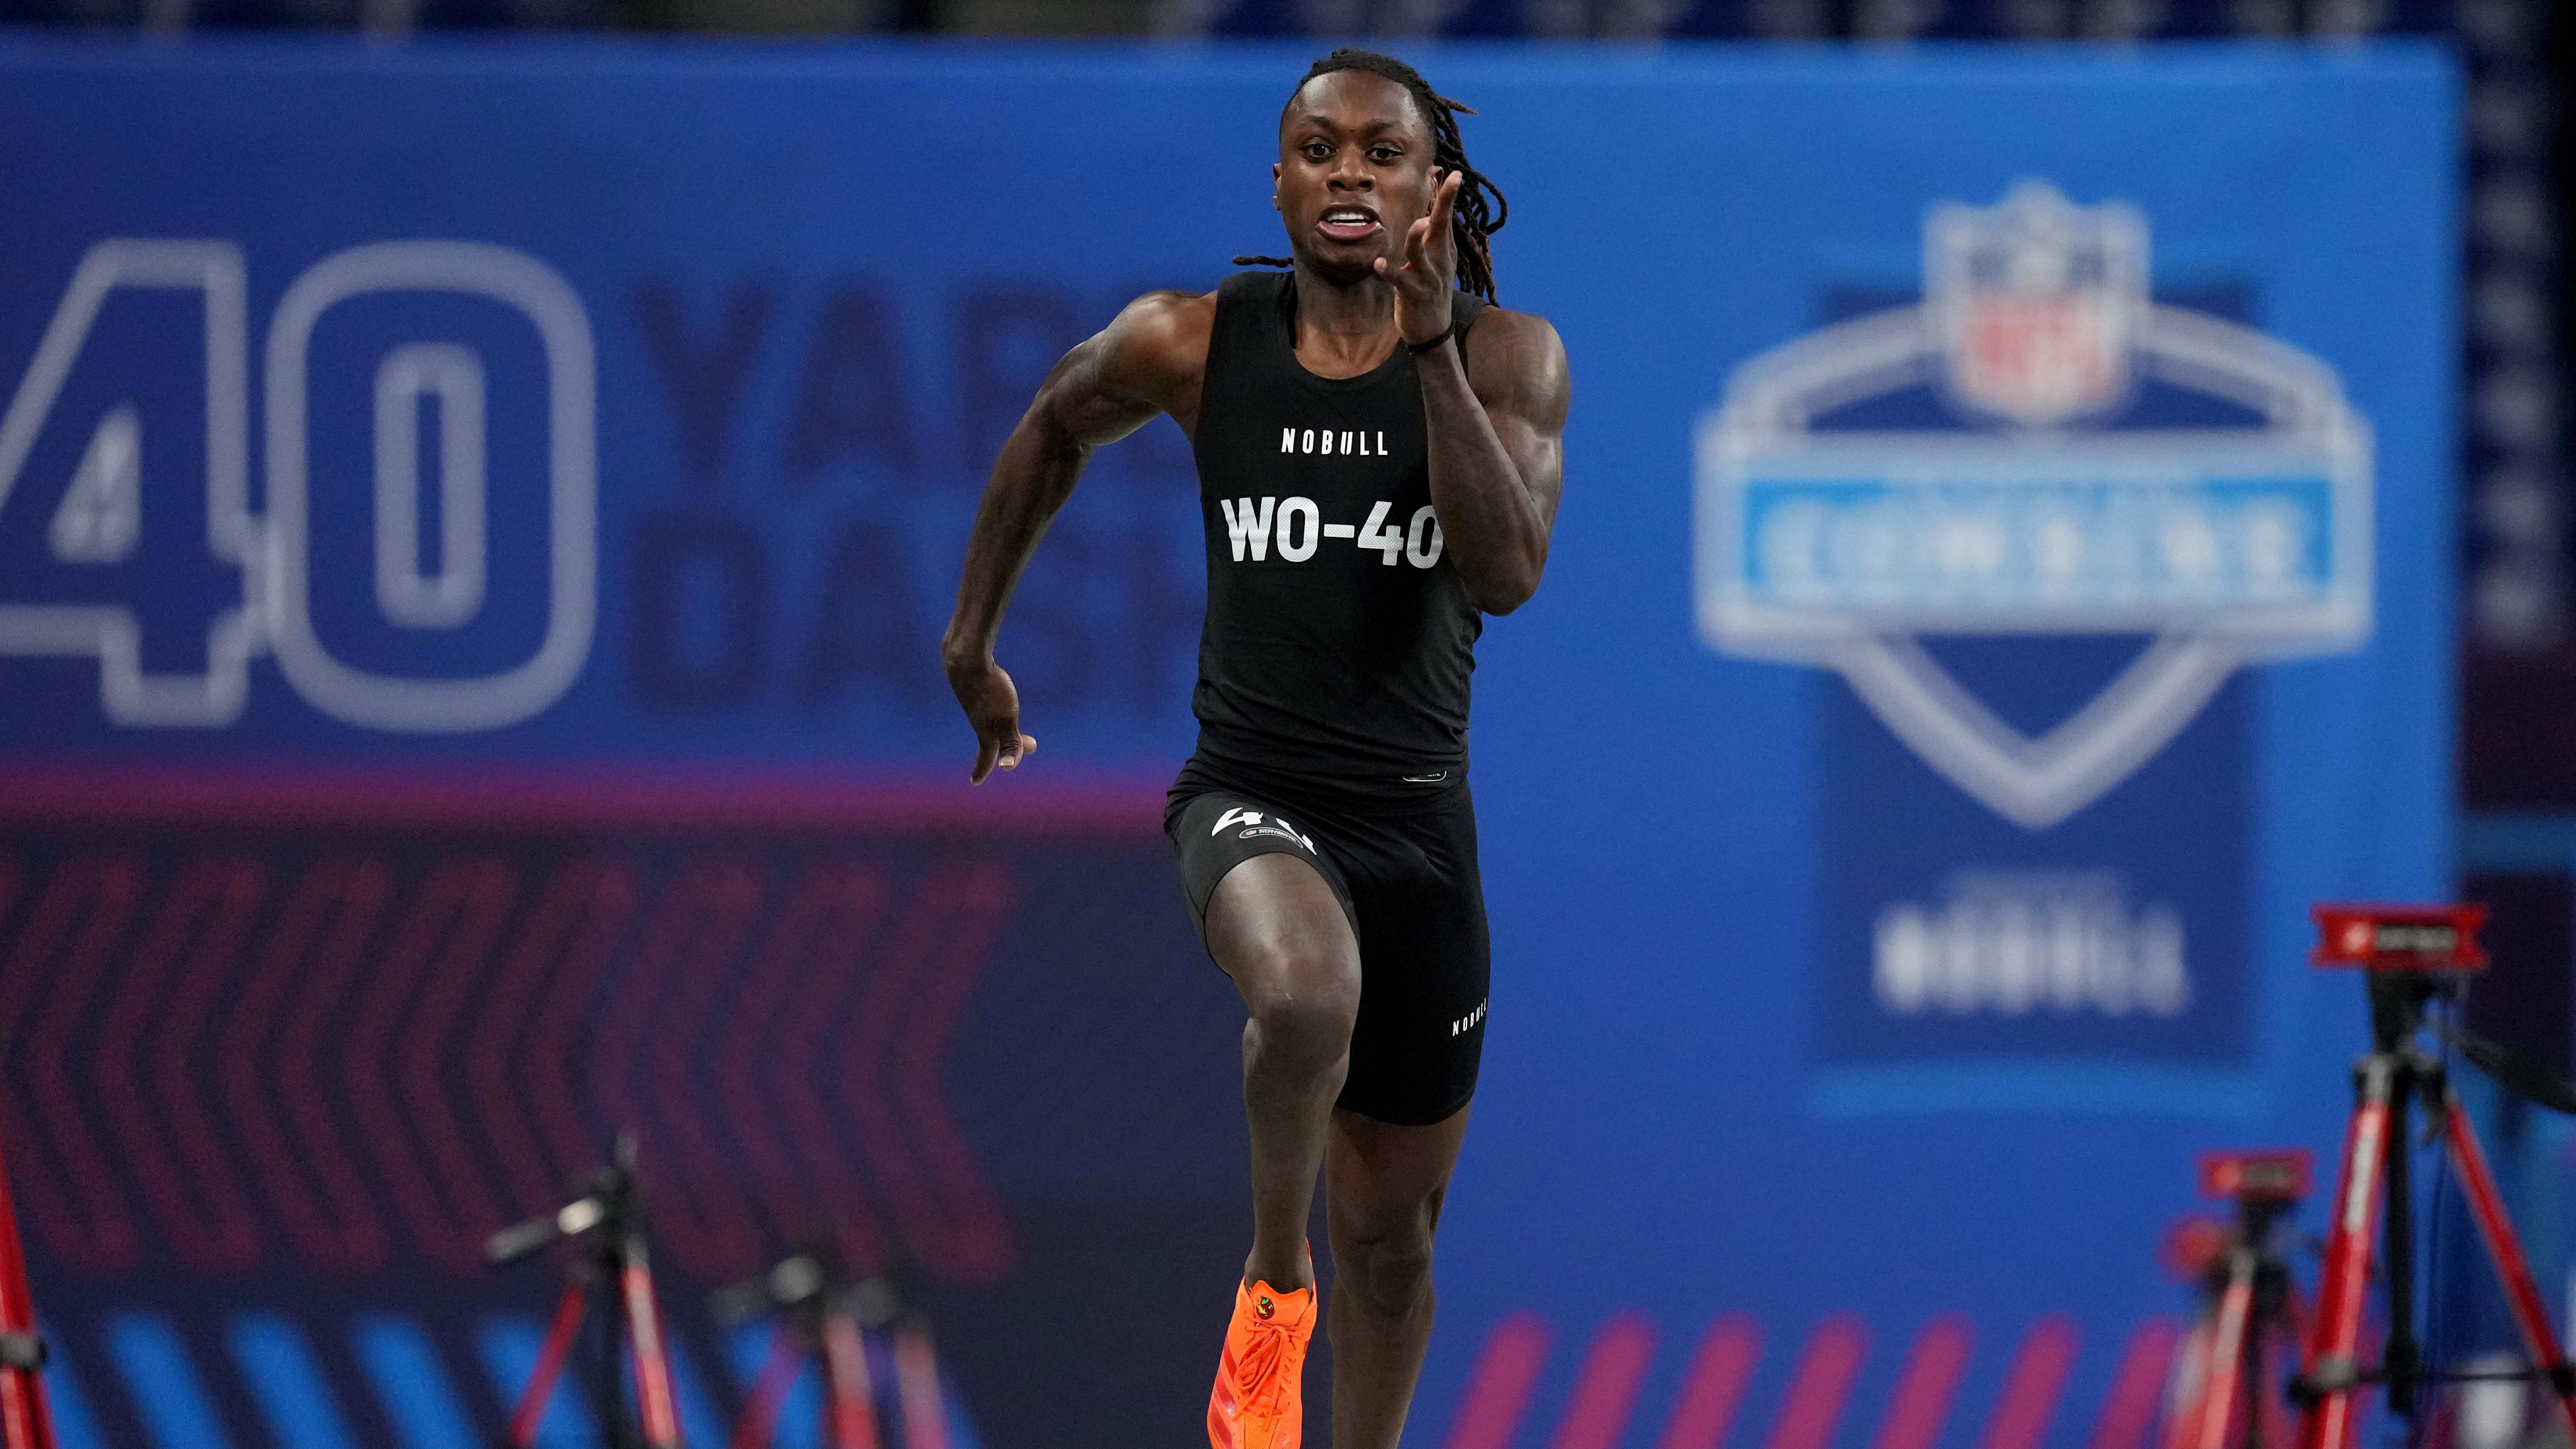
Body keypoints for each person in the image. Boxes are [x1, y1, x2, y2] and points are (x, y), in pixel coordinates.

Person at [941, 47, 1569, 1449]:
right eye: (1320, 150)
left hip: (1419, 838)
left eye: (1382, 154)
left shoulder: (1508, 358)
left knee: (1395, 1242)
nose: (1350, 174)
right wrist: (971, 642)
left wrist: (1427, 348)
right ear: (1279, 180)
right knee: (1301, 995)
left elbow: (1507, 570)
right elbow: (1053, 424)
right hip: (1252, 799)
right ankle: (1271, 1292)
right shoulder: (1194, 340)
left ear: (1435, 188)